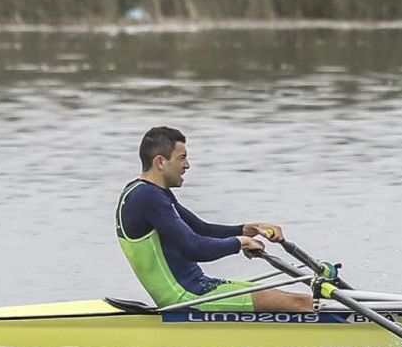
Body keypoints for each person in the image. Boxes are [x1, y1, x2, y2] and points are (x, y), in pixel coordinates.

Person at [116, 126, 313, 312]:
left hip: (199, 288)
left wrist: (246, 230)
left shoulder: (146, 191)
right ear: (160, 162)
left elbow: (201, 229)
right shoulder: (148, 198)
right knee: (301, 303)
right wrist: (240, 243)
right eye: (182, 158)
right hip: (187, 297)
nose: (187, 165)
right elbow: (195, 248)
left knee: (299, 299)